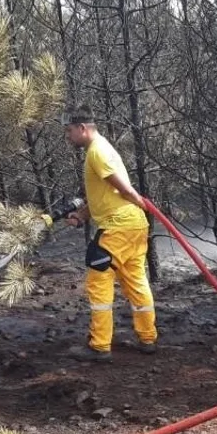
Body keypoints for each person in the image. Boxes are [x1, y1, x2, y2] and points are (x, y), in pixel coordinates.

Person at [62, 105, 158, 357]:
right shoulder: (102, 148)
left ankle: (100, 345)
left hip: (118, 228)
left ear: (83, 129)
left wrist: (135, 197)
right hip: (134, 226)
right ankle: (148, 339)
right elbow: (107, 195)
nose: (68, 137)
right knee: (135, 280)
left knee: (98, 282)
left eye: (69, 131)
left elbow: (122, 188)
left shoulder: (97, 152)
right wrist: (81, 215)